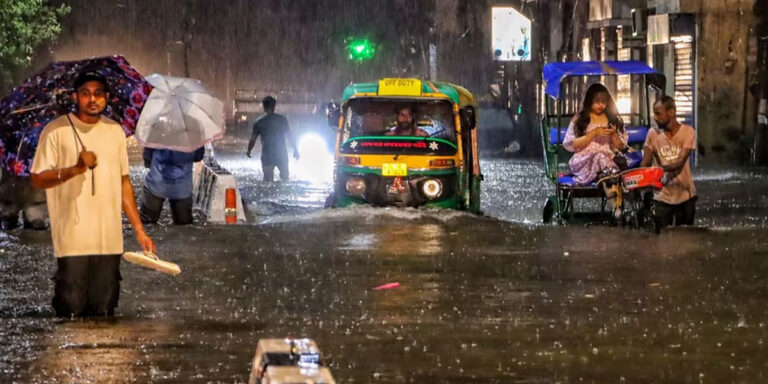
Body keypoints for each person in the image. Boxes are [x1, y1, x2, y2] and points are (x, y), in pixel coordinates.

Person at [30, 71, 155, 317]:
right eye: (85, 94)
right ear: (75, 97)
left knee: (105, 311)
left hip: (108, 239)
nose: (92, 99)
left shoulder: (115, 132)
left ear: (107, 97)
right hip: (72, 240)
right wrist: (74, 169)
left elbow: (123, 182)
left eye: (98, 94)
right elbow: (38, 178)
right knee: (71, 312)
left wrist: (140, 231)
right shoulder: (55, 131)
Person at [641, 95, 697, 228]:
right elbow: (644, 163)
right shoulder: (652, 133)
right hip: (661, 196)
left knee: (685, 240)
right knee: (662, 240)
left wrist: (658, 169)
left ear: (671, 112)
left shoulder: (688, 132)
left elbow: (679, 162)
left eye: (658, 113)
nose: (654, 117)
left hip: (685, 195)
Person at [563, 83, 628, 185]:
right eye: (597, 101)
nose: (601, 105)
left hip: (608, 158)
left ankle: (611, 182)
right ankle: (611, 179)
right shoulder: (580, 119)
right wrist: (593, 133)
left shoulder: (612, 119)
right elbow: (573, 144)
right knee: (600, 156)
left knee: (603, 157)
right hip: (584, 160)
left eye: (604, 101)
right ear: (590, 100)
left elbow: (619, 147)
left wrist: (614, 134)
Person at [140, 147, 205, 225]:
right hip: (182, 187)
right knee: (184, 227)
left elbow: (147, 158)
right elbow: (198, 157)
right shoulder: (193, 136)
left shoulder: (156, 134)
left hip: (156, 182)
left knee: (147, 224)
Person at [246, 96, 299, 182]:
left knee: (267, 181)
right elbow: (290, 136)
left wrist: (249, 151)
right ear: (274, 106)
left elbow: (253, 140)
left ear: (264, 107)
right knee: (285, 179)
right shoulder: (282, 120)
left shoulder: (259, 122)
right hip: (281, 153)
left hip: (267, 154)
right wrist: (296, 150)